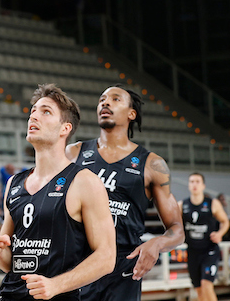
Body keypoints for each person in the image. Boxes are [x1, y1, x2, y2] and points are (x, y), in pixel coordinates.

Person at [0, 84, 117, 301]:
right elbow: (11, 262)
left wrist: (56, 285)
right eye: (33, 111)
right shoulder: (13, 183)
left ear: (65, 128)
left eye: (46, 111)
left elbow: (107, 257)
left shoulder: (85, 181)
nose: (34, 116)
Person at [65, 85, 184, 301]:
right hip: (78, 262)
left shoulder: (152, 164)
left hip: (124, 268)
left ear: (131, 114)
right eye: (102, 99)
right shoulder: (73, 153)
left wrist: (156, 243)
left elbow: (177, 230)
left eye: (115, 99)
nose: (105, 102)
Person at [181, 173, 230, 301]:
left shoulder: (213, 203)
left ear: (203, 185)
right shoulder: (182, 205)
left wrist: (220, 233)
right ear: (188, 185)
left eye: (197, 181)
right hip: (192, 252)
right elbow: (173, 224)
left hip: (209, 250)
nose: (194, 184)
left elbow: (225, 221)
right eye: (192, 181)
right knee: (199, 290)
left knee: (206, 285)